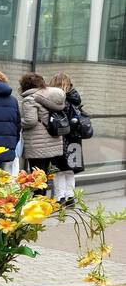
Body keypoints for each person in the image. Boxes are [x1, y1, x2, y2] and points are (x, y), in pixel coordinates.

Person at [19, 72, 67, 197]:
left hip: (37, 143)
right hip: (53, 140)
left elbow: (30, 121)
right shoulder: (53, 96)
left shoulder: (30, 99)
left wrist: (18, 122)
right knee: (44, 174)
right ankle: (42, 201)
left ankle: (38, 203)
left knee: (37, 174)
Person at [49, 72, 86, 204]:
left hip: (61, 139)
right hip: (75, 139)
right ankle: (70, 198)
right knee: (70, 170)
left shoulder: (58, 100)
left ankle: (60, 198)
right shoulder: (75, 99)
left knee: (59, 171)